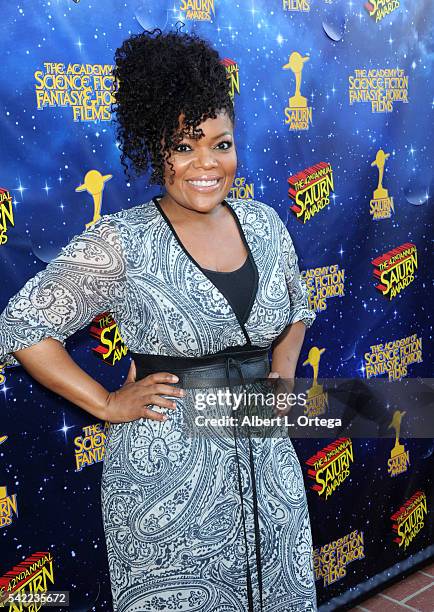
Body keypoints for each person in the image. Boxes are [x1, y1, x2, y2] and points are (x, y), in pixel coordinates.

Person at [0, 25, 318, 612]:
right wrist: (106, 404)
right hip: (165, 477)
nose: (207, 163)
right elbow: (21, 327)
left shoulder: (266, 223)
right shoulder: (122, 240)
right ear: (155, 148)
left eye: (221, 144)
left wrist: (282, 375)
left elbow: (296, 307)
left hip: (267, 465)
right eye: (185, 144)